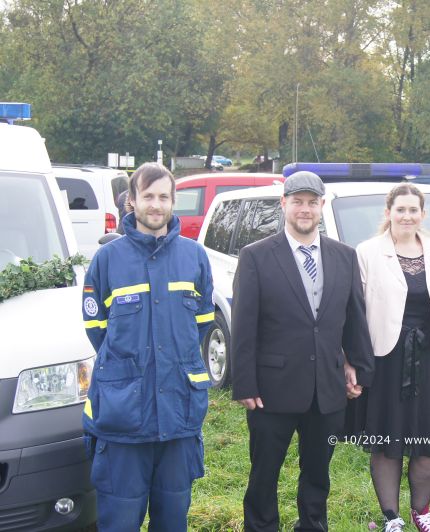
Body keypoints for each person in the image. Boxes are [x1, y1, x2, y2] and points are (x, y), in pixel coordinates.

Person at [231, 171, 374, 531]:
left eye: (312, 202)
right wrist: (245, 384)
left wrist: (357, 364)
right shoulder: (256, 256)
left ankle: (312, 525)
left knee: (317, 474)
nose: (305, 209)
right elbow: (244, 326)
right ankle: (262, 526)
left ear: (322, 206)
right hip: (271, 390)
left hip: (325, 390)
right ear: (284, 204)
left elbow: (354, 318)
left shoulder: (344, 256)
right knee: (264, 473)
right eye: (297, 202)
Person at [81, 162, 215, 531]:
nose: (156, 205)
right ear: (132, 201)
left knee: (173, 522)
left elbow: (202, 323)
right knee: (119, 522)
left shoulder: (194, 257)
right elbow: (96, 329)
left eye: (164, 197)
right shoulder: (107, 260)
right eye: (148, 196)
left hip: (179, 414)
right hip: (123, 418)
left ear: (173, 202)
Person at [354, 183, 430, 532]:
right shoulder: (368, 252)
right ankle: (392, 517)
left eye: (413, 209)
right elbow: (355, 312)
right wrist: (353, 361)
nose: (406, 215)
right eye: (400, 209)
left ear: (422, 214)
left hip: (429, 358)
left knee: (429, 443)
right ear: (388, 213)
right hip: (385, 359)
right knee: (389, 442)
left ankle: (422, 512)